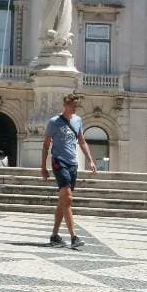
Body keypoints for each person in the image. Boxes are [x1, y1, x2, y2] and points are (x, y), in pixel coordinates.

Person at [41, 93, 97, 248]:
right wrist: (43, 167)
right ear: (66, 105)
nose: (76, 108)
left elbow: (82, 141)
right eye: (74, 105)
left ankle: (54, 235)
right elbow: (46, 145)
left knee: (63, 200)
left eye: (77, 105)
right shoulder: (54, 122)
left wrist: (90, 160)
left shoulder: (78, 120)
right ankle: (74, 237)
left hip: (73, 163)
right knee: (69, 199)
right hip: (59, 161)